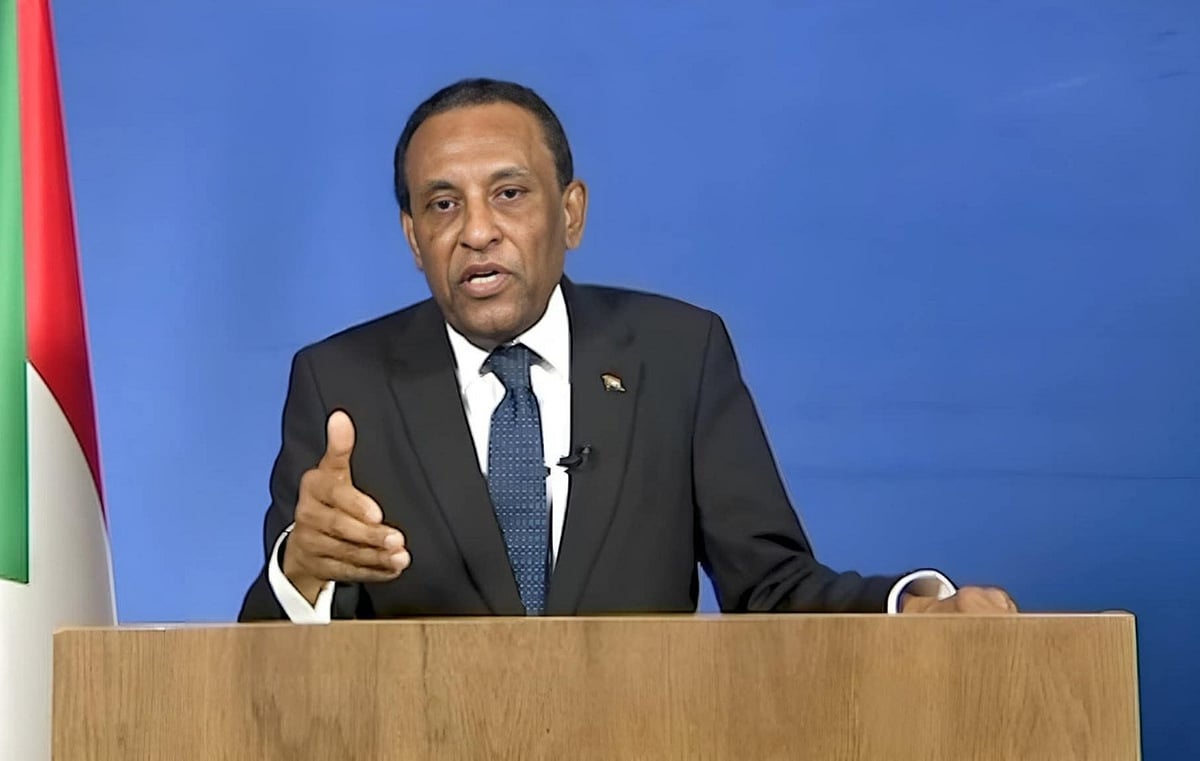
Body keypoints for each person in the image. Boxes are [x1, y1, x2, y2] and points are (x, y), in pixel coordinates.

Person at [238, 78, 1016, 622]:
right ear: (414, 238)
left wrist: (908, 607)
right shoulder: (340, 382)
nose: (476, 230)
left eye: (509, 193)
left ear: (571, 213)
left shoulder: (679, 354)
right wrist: (303, 567)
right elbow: (267, 653)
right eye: (443, 204)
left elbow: (772, 586)